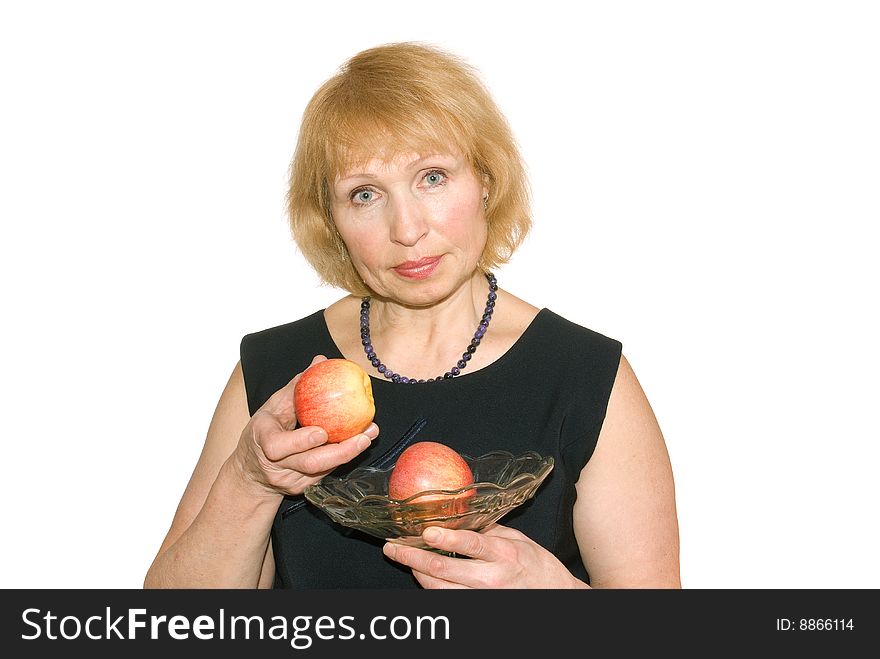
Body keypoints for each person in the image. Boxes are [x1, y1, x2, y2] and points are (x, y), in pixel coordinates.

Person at [144, 42, 680, 589]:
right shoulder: (277, 378)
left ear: (486, 181)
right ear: (332, 220)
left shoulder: (586, 376)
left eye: (432, 177)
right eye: (365, 194)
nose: (406, 229)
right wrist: (248, 480)